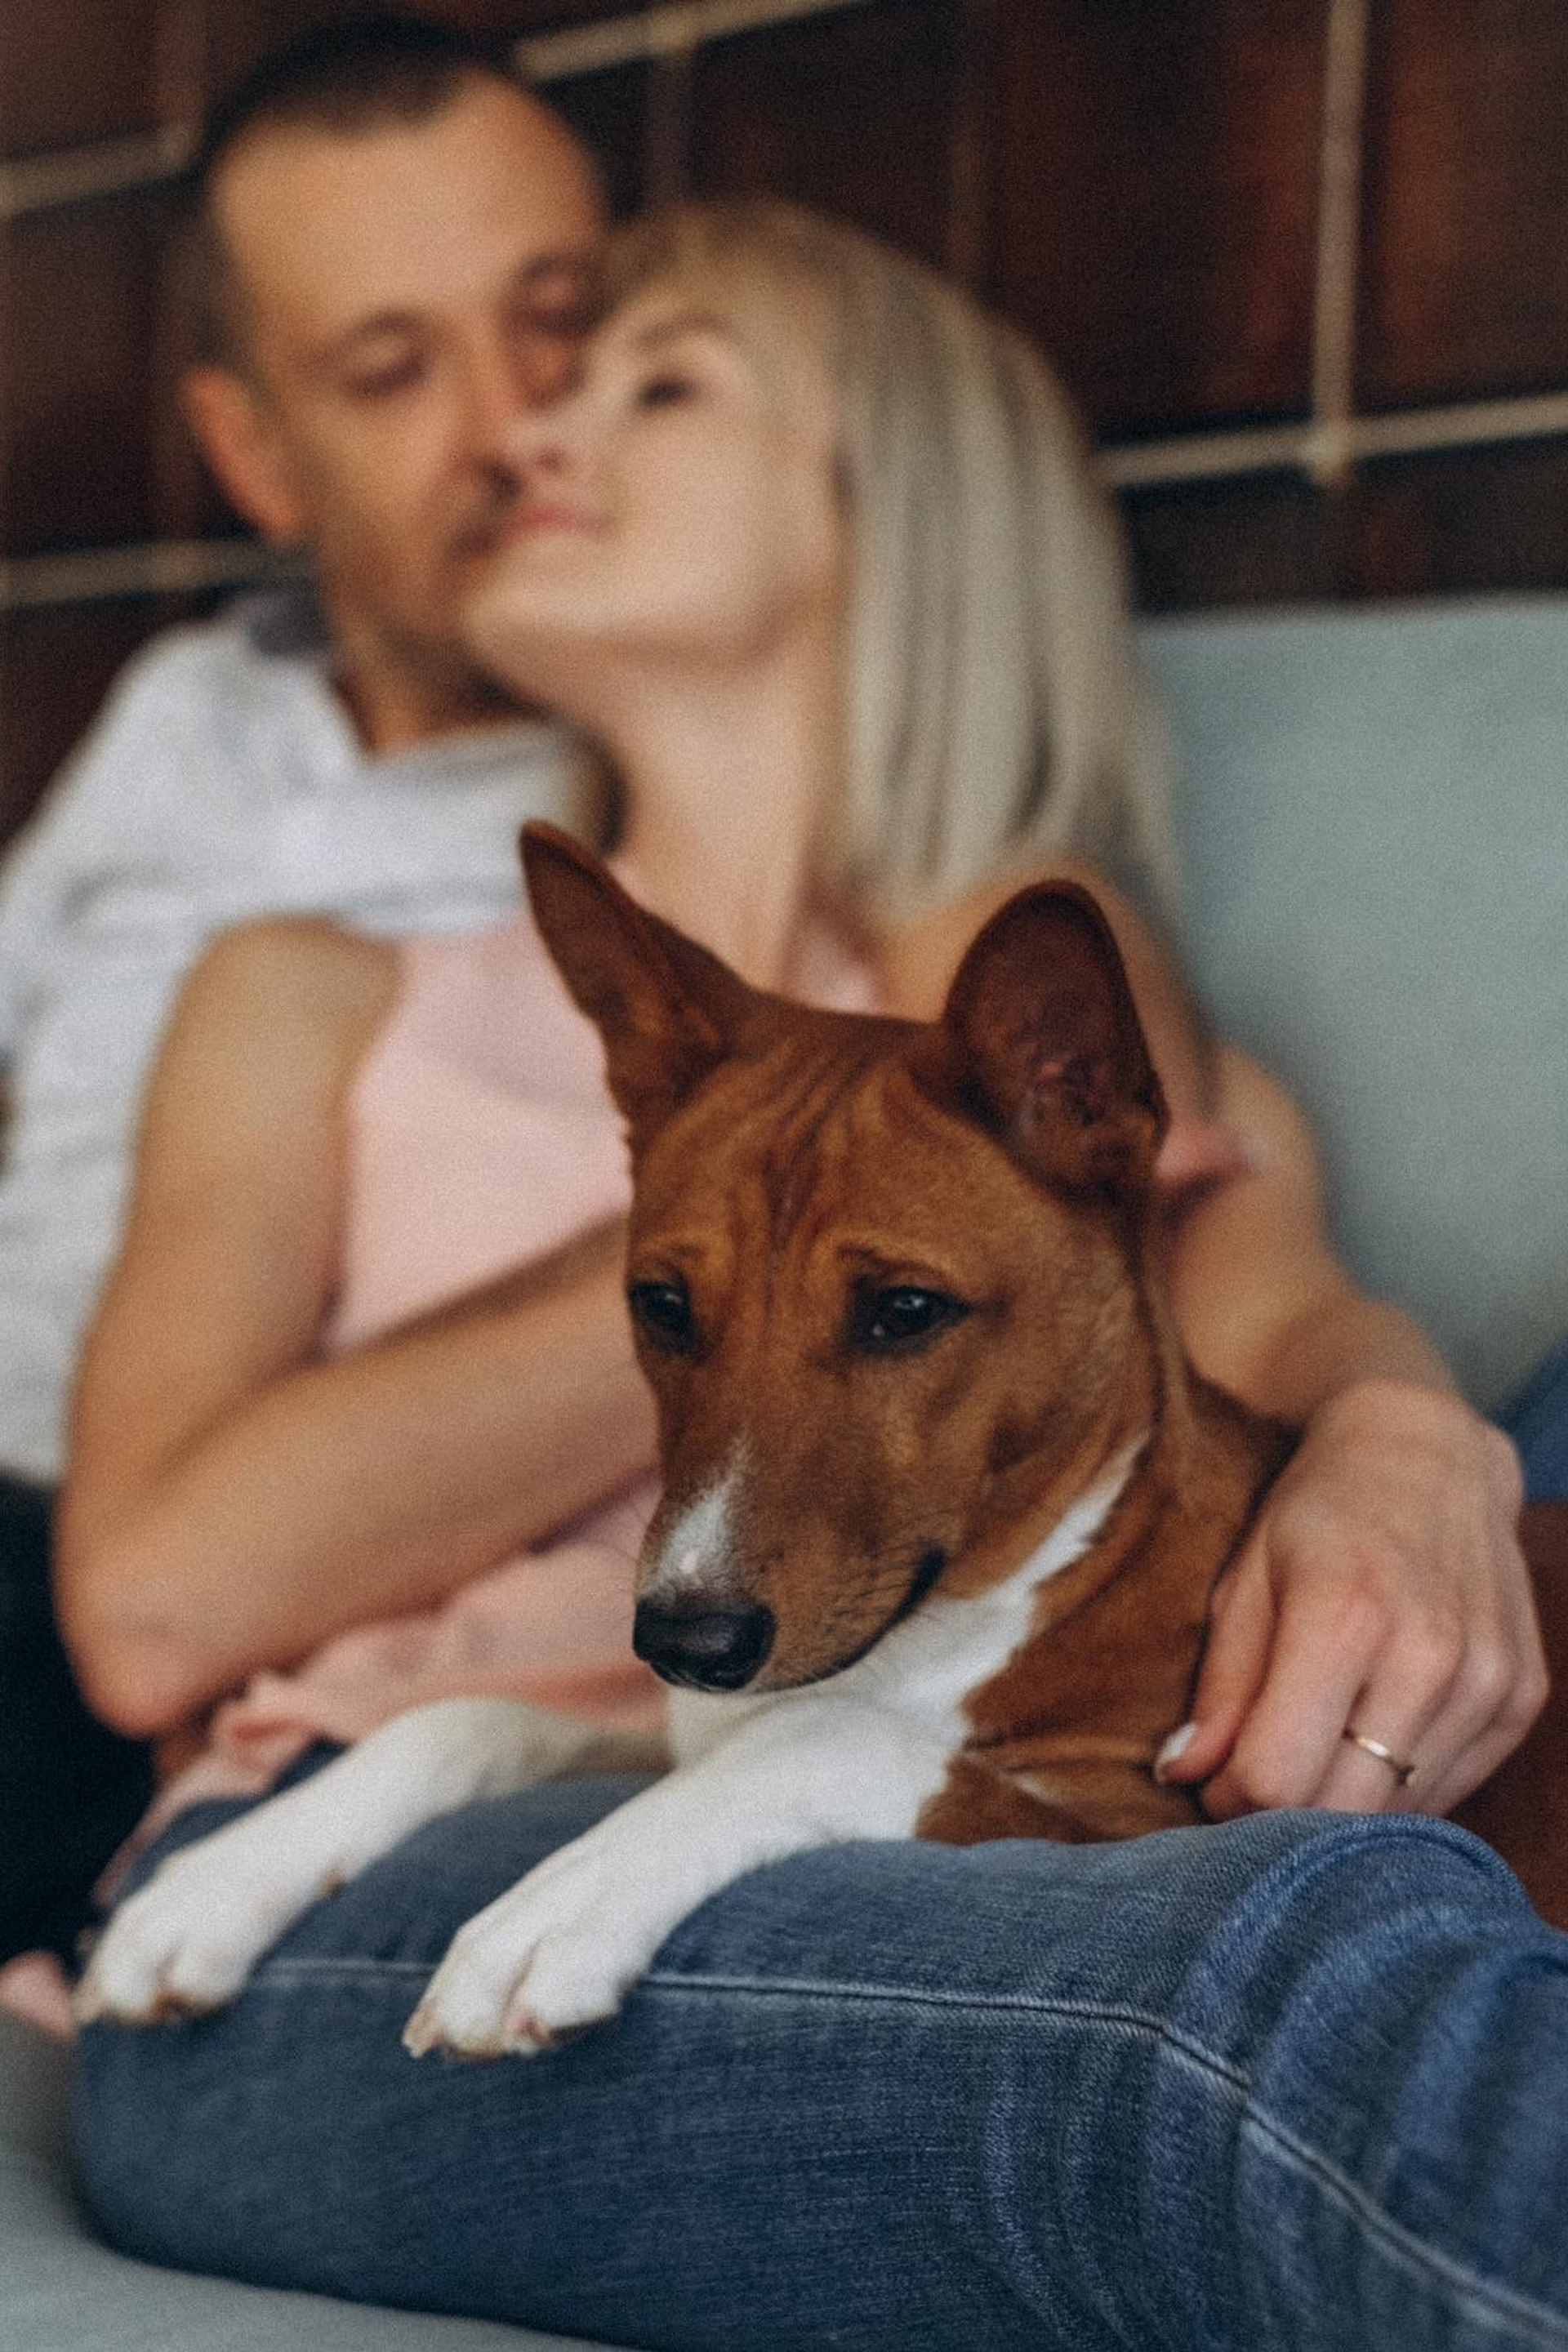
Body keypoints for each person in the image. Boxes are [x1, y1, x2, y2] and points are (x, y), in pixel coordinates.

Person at [58, 195, 1564, 2345]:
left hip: (939, 1806)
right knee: (1244, 1999)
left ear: (897, 502)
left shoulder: (1052, 1030)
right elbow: (149, 1602)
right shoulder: (309, 992)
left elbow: (1258, 1358)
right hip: (342, 1887)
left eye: (644, 379)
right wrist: (737, 1184)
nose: (532, 431)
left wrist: (1421, 1446)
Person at [0, 11, 613, 1967]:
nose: (516, 420)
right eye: (391, 368)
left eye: (562, 316)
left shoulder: (670, 775)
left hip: (162, 1602)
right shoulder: (189, 713)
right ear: (257, 452)